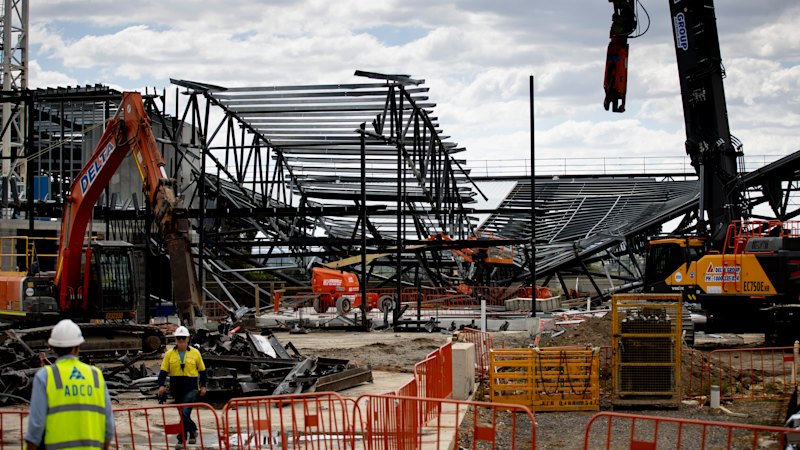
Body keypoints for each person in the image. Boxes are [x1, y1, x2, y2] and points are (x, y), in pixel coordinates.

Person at [24, 319, 115, 450]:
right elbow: (109, 426)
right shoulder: (95, 375)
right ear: (78, 346)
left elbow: (36, 426)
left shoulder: (45, 376)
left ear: (52, 347)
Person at [157, 326, 207, 448]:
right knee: (184, 414)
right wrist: (161, 385)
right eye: (178, 338)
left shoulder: (195, 353)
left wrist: (203, 386)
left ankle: (181, 438)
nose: (181, 340)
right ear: (175, 339)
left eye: (183, 338)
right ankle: (193, 431)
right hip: (176, 388)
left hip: (191, 388)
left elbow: (203, 372)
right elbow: (163, 372)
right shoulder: (169, 354)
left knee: (185, 412)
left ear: (188, 338)